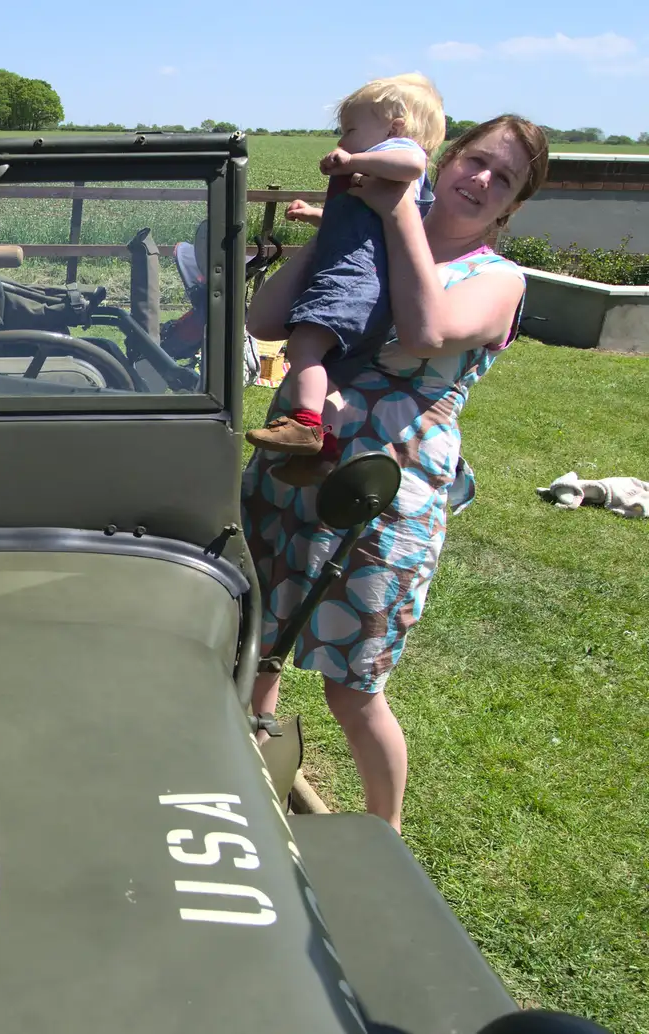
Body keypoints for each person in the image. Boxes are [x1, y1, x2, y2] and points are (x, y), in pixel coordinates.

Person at [241, 114, 550, 832]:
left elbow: (427, 332)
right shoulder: (367, 235)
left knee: (355, 687)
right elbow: (264, 319)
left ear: (511, 207)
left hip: (383, 498)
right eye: (475, 161)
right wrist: (342, 224)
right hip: (293, 469)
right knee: (255, 650)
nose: (480, 180)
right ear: (444, 160)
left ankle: (386, 834)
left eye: (502, 178)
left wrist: (395, 212)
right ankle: (249, 786)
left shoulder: (498, 279)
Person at [246, 74, 446, 483]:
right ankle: (324, 450)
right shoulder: (376, 176)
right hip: (370, 295)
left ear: (395, 125)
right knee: (331, 378)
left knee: (302, 345)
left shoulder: (398, 151)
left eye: (351, 129)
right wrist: (319, 215)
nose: (344, 140)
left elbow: (413, 163)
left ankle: (303, 423)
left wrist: (352, 161)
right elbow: (362, 226)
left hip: (352, 284)